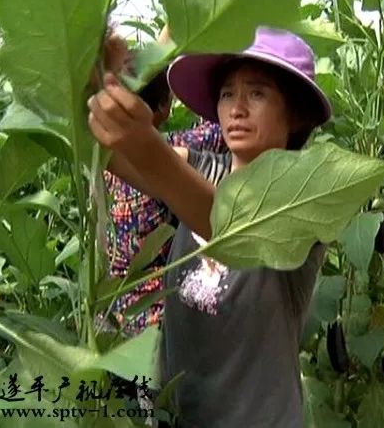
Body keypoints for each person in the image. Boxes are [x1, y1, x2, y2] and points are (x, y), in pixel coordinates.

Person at [87, 26, 333, 427]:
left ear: (297, 114)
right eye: (227, 93)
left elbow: (232, 228)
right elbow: (106, 150)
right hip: (178, 415)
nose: (237, 108)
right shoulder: (198, 166)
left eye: (257, 93)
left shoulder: (308, 196)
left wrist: (146, 143)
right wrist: (102, 81)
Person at [100, 41, 226, 337]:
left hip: (111, 311)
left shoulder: (108, 157)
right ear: (164, 107)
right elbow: (223, 123)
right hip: (155, 322)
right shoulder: (174, 152)